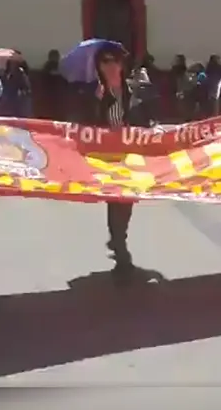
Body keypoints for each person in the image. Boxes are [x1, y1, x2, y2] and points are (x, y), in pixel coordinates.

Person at [72, 44, 139, 273]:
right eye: (104, 62)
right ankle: (120, 246)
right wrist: (95, 103)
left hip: (130, 153)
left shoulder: (132, 91)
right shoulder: (95, 93)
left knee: (129, 197)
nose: (110, 66)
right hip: (106, 156)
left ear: (121, 64)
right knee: (115, 197)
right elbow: (83, 125)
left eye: (114, 61)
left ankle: (119, 236)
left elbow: (144, 118)